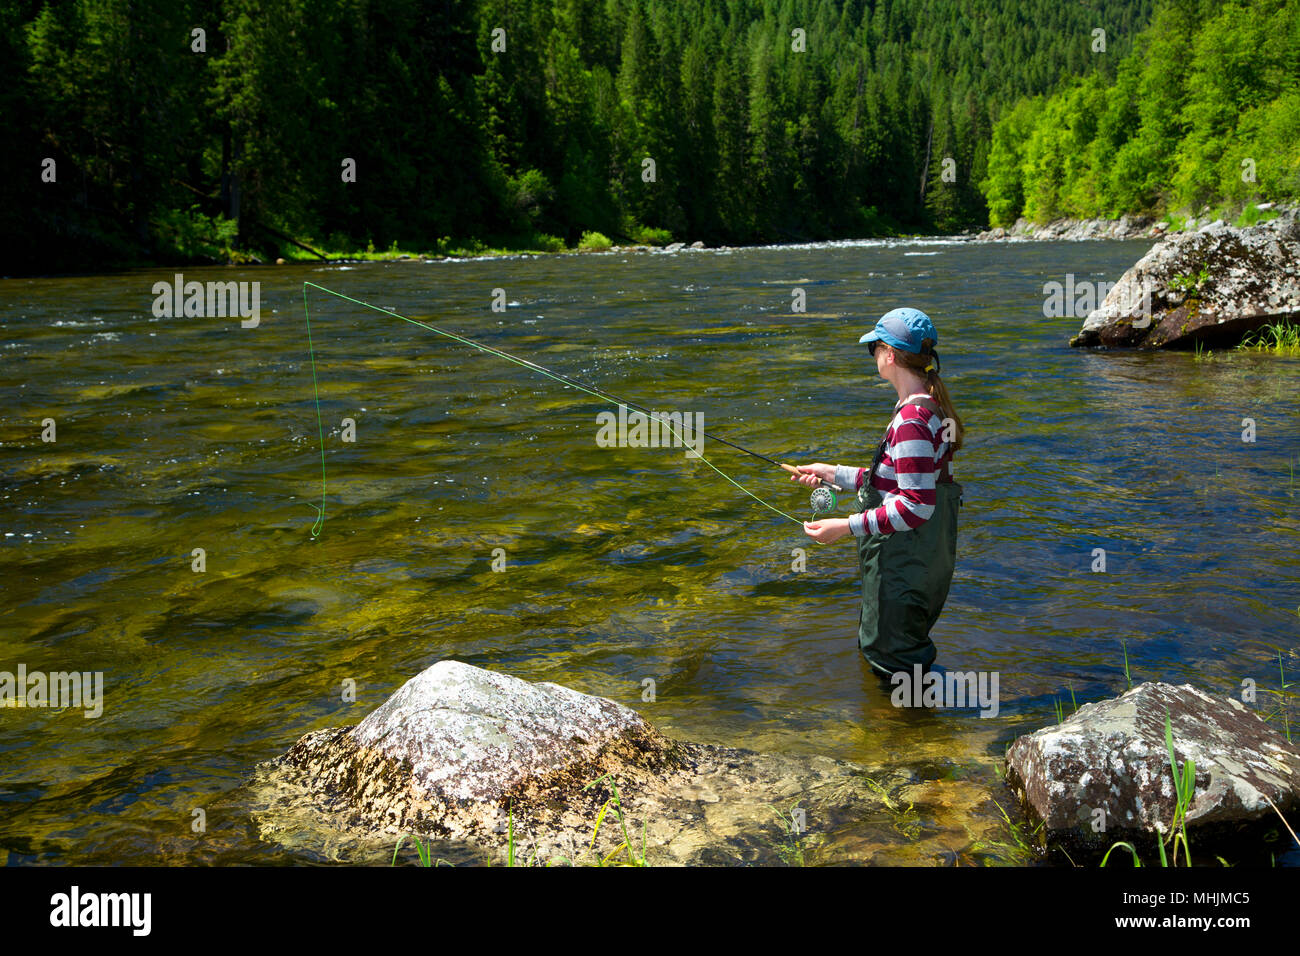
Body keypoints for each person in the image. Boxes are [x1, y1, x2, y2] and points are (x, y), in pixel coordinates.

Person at [792, 307, 964, 678]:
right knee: (894, 653)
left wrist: (845, 526)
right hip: (915, 559)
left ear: (890, 355)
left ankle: (908, 732)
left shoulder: (912, 421)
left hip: (906, 563)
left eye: (874, 348)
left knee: (893, 660)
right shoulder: (921, 408)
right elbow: (896, 479)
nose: (872, 356)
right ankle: (909, 732)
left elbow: (915, 506)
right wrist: (832, 474)